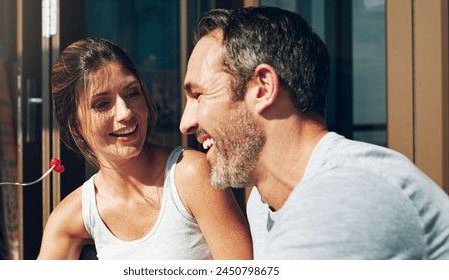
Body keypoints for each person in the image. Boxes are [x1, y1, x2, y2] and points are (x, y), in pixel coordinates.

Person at [179, 6, 449, 259]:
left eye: (199, 95)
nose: (185, 123)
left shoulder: (343, 199)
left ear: (262, 88)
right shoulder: (264, 204)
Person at [0, 37, 252, 260]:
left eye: (132, 93)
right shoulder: (71, 215)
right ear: (76, 128)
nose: (125, 113)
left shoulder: (191, 175)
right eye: (101, 104)